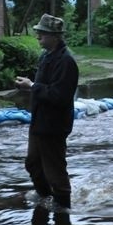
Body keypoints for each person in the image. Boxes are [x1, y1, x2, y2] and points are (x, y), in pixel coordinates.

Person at [15, 13, 79, 209]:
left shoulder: (66, 61)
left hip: (54, 126)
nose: (38, 37)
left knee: (55, 170)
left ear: (55, 36)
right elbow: (43, 87)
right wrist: (30, 86)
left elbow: (60, 96)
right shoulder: (46, 56)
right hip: (39, 122)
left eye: (42, 34)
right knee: (32, 163)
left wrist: (32, 86)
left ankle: (63, 209)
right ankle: (45, 197)